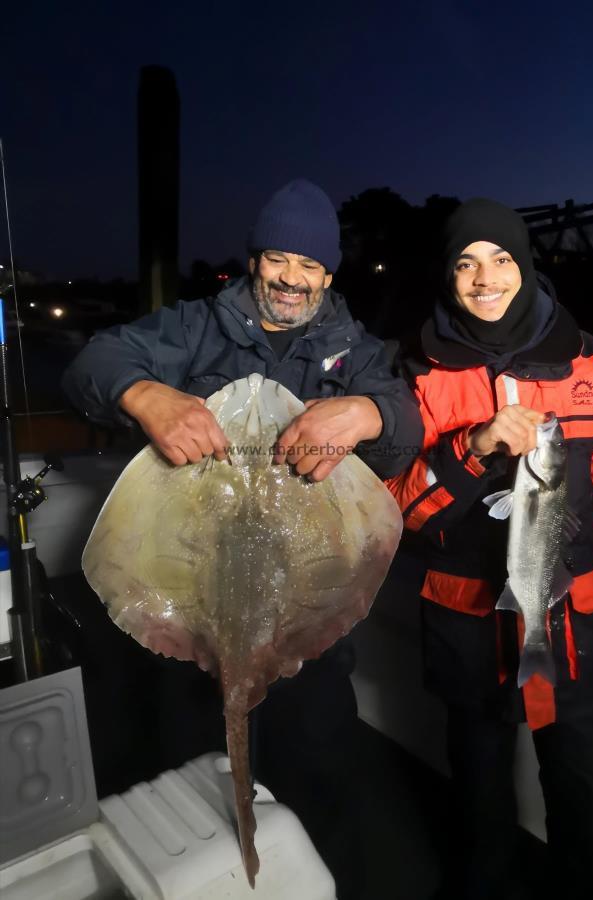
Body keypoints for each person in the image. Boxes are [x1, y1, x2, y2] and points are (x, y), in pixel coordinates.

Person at [62, 178, 423, 898]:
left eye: (309, 265)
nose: (291, 278)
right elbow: (89, 364)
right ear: (255, 260)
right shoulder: (193, 329)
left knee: (322, 773)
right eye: (278, 258)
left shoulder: (354, 350)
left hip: (304, 619)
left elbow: (405, 424)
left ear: (328, 274)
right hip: (194, 612)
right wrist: (145, 394)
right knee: (197, 777)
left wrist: (366, 414)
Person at [387, 198, 593, 900]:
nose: (485, 278)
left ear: (525, 265)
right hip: (468, 630)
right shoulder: (413, 372)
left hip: (582, 626)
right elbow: (397, 510)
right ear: (448, 276)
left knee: (591, 797)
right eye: (465, 263)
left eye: (501, 259)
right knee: (480, 805)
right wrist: (471, 447)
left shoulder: (589, 361)